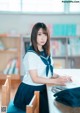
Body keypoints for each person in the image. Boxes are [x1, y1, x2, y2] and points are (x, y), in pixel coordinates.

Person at [14, 22, 72, 113]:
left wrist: (61, 77)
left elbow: (47, 72)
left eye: (45, 34)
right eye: (39, 34)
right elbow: (35, 79)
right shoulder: (31, 55)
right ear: (34, 36)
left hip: (42, 88)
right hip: (30, 91)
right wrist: (55, 81)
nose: (43, 38)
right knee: (54, 108)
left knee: (63, 102)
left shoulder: (46, 51)